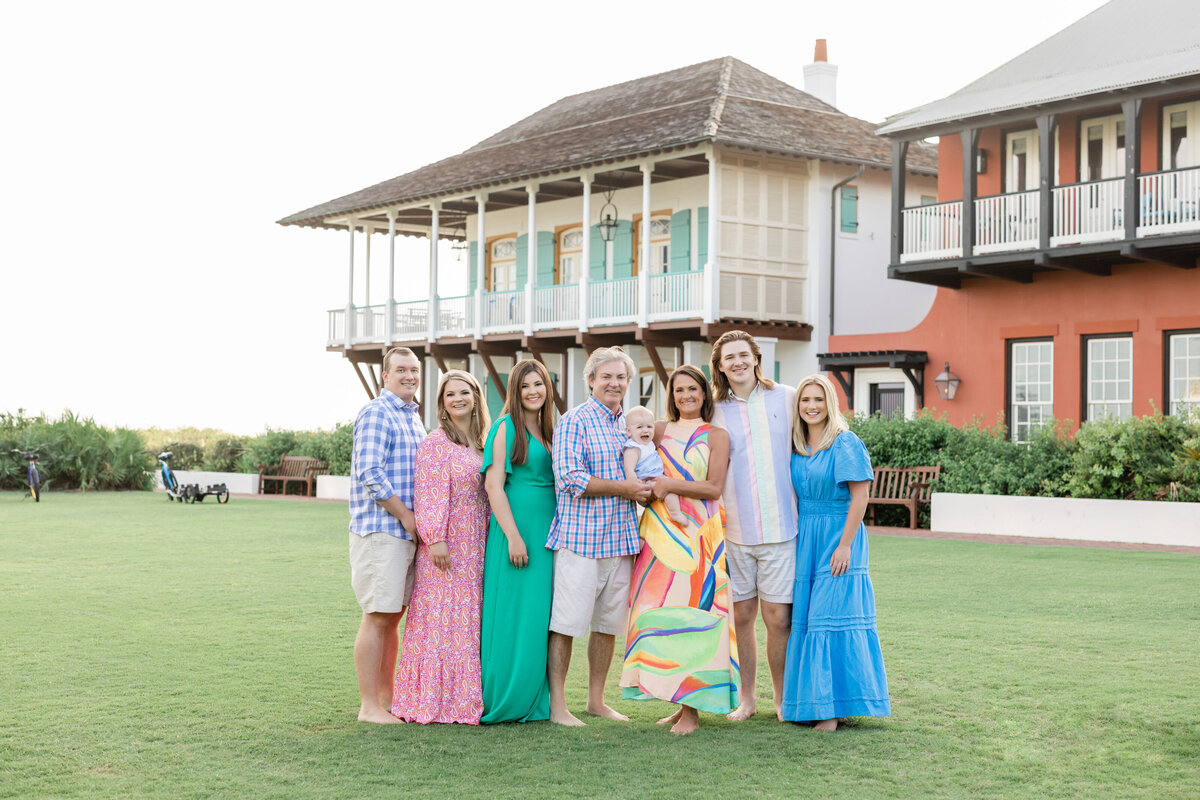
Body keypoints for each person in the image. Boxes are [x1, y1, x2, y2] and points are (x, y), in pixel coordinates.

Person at [620, 365, 737, 735]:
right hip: (657, 534)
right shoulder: (656, 429)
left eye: (693, 389)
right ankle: (675, 698)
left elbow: (714, 488)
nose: (686, 396)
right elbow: (629, 452)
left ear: (705, 393)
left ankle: (692, 710)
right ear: (671, 395)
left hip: (699, 534)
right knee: (655, 611)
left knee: (698, 612)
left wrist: (669, 482)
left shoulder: (717, 435)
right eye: (679, 390)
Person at [546, 346, 652, 726]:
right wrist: (625, 488)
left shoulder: (631, 424)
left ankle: (596, 700)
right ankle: (558, 705)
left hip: (622, 542)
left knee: (607, 626)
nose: (614, 383)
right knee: (566, 624)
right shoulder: (574, 421)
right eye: (606, 376)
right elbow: (571, 479)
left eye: (621, 377)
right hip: (581, 542)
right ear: (590, 380)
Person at [780, 373, 890, 730]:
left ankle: (829, 713)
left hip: (839, 537)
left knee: (828, 619)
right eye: (805, 400)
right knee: (810, 620)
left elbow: (860, 496)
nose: (812, 406)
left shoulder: (845, 443)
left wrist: (844, 546)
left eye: (818, 399)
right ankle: (814, 704)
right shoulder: (796, 445)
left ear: (830, 403)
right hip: (807, 539)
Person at [391, 370, 491, 724]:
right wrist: (435, 539)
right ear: (442, 402)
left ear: (476, 397)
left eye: (465, 392)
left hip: (477, 545)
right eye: (451, 394)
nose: (458, 398)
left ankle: (463, 700)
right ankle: (429, 701)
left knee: (466, 623)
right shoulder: (436, 443)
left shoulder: (481, 441)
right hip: (446, 547)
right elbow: (429, 494)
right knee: (438, 623)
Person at [709, 330, 797, 722]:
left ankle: (781, 697)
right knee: (741, 617)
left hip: (782, 529)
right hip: (734, 532)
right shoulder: (714, 410)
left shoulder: (788, 397)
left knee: (778, 618)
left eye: (743, 355)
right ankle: (748, 699)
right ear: (720, 366)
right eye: (730, 358)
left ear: (756, 358)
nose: (738, 362)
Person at [349, 346, 425, 724]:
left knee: (392, 616)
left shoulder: (412, 417)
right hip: (382, 531)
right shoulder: (378, 412)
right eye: (401, 370)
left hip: (404, 534)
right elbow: (370, 473)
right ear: (385, 375)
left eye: (414, 369)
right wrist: (407, 517)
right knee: (377, 615)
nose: (409, 376)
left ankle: (386, 700)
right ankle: (369, 707)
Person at [479, 359, 558, 723]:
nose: (533, 392)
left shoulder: (551, 429)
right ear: (515, 390)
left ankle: (533, 698)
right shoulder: (504, 427)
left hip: (548, 534)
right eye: (525, 386)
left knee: (537, 616)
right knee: (512, 614)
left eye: (538, 384)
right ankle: (505, 698)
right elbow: (493, 485)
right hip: (517, 532)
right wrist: (513, 536)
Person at [622, 405, 686, 527]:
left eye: (649, 427)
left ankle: (672, 511)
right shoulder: (633, 448)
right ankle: (675, 513)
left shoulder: (649, 444)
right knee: (670, 489)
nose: (645, 430)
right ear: (629, 431)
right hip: (645, 481)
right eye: (639, 427)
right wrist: (635, 484)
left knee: (669, 485)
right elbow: (629, 469)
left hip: (655, 477)